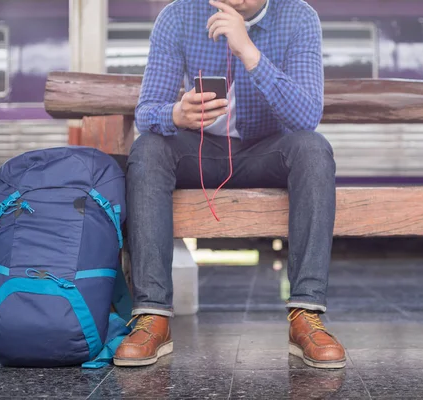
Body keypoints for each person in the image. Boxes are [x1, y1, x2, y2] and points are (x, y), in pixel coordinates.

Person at [114, 0, 346, 369]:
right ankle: (153, 316)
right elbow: (146, 112)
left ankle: (305, 315)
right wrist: (176, 113)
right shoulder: (178, 15)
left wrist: (248, 51)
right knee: (149, 149)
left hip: (266, 152)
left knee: (314, 149)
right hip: (201, 151)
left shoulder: (299, 16)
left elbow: (306, 116)